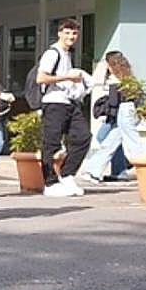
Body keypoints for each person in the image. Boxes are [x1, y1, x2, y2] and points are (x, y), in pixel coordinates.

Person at [36, 18, 92, 198]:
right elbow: (41, 78)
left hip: (69, 102)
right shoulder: (52, 53)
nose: (71, 36)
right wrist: (67, 78)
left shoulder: (67, 54)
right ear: (59, 33)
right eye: (67, 32)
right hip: (54, 103)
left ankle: (67, 174)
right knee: (51, 143)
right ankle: (50, 183)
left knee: (83, 136)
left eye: (74, 33)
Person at [80, 50, 144, 183]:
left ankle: (145, 169)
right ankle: (97, 171)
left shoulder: (115, 79)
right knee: (111, 142)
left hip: (122, 112)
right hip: (127, 112)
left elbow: (114, 101)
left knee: (127, 143)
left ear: (110, 64)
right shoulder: (127, 76)